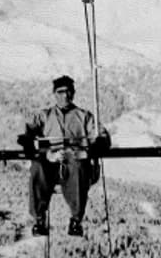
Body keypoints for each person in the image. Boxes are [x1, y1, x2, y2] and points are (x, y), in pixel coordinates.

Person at [18, 75, 110, 237]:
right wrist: (29, 142)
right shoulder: (45, 116)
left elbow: (101, 135)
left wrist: (91, 148)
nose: (65, 95)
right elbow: (29, 130)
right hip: (51, 161)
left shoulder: (84, 116)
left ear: (73, 93)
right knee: (37, 168)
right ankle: (39, 218)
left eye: (69, 92)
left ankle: (76, 218)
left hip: (74, 161)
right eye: (61, 92)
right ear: (55, 94)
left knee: (78, 167)